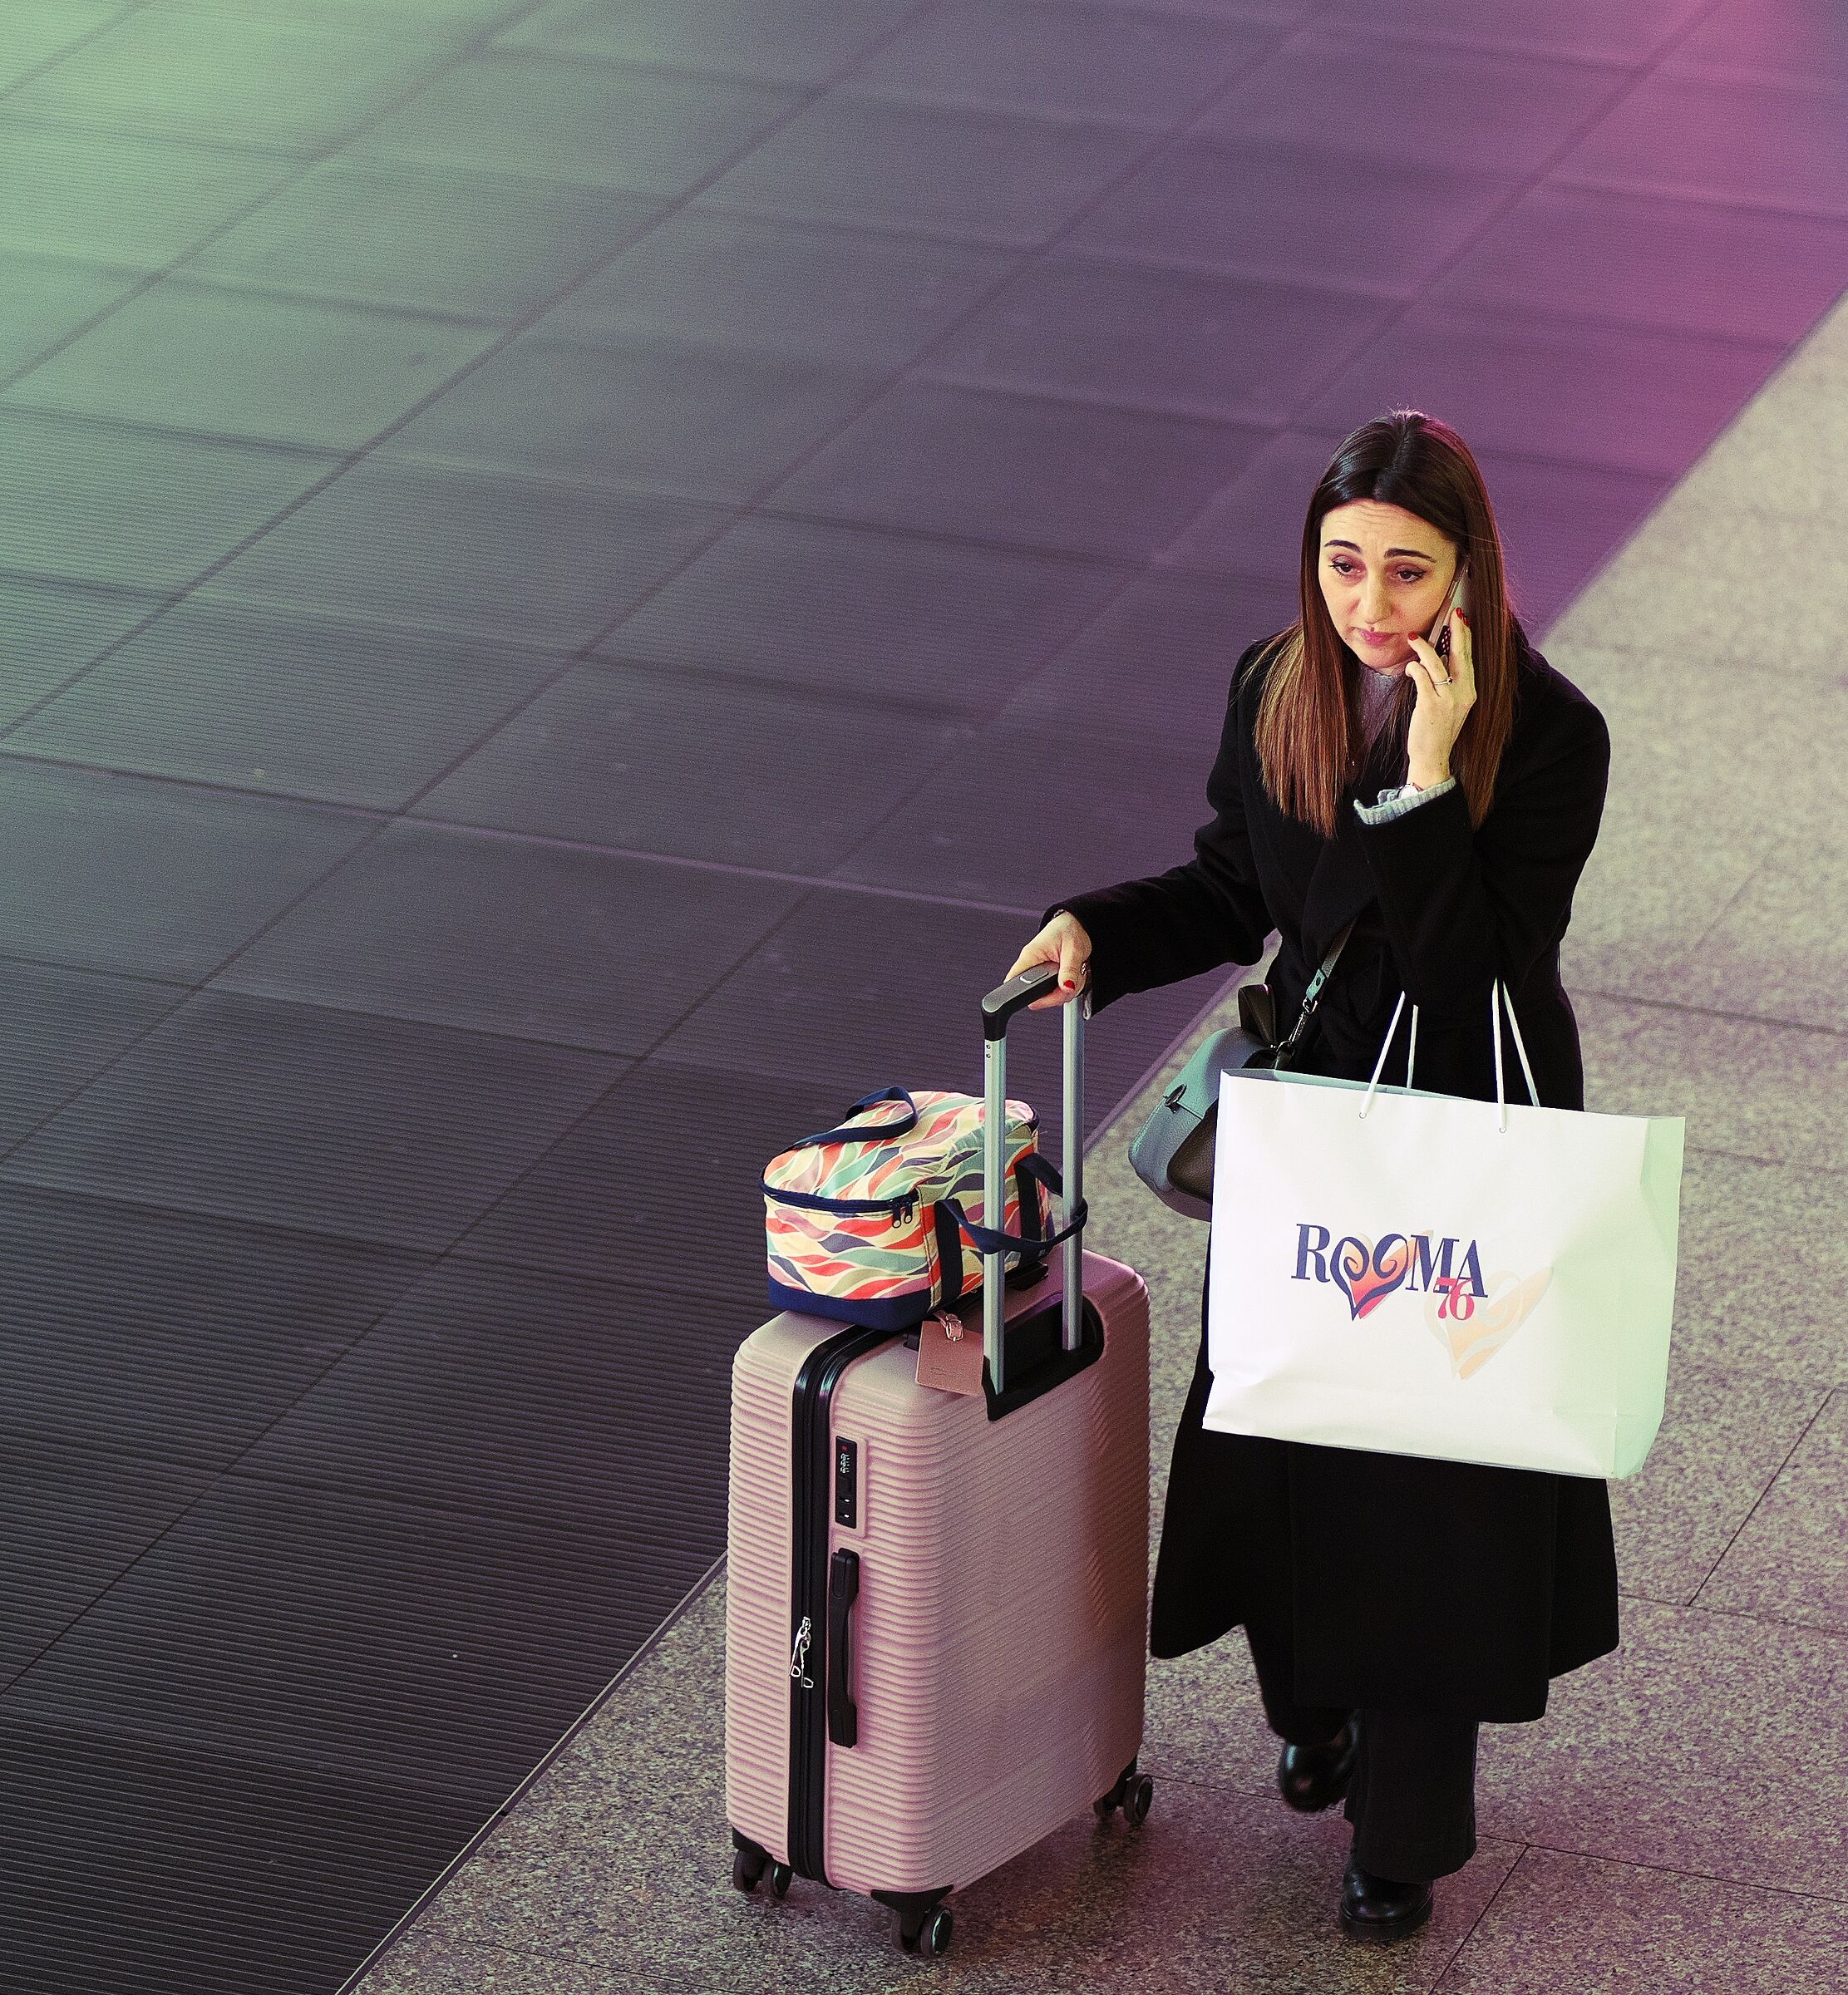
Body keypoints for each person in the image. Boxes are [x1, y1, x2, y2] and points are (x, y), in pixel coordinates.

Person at [1004, 410, 1619, 1943]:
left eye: (1407, 570)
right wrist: (1099, 929)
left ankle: (1401, 1836)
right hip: (1314, 1120)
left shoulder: (1551, 736)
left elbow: (1471, 974)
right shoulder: (1276, 685)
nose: (1369, 603)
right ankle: (1316, 1706)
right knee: (1283, 1432)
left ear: (1470, 571)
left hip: (1460, 1129)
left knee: (1425, 1482)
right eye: (1343, 564)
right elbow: (1236, 888)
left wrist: (1424, 778)